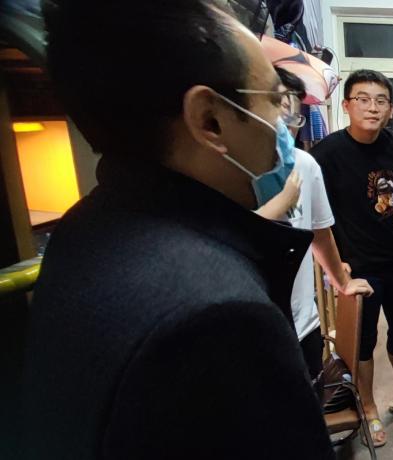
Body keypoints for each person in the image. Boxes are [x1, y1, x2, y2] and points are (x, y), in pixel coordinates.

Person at [17, 1, 333, 458]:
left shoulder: (87, 225)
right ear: (210, 120)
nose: (285, 126)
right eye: (273, 100)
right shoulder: (220, 318)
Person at [310, 69, 393, 448]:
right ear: (346, 105)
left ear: (391, 109)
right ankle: (367, 406)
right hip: (356, 268)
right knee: (364, 342)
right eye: (362, 99)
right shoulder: (326, 155)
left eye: (380, 101)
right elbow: (314, 217)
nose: (372, 107)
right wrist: (335, 268)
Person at [256, 67, 373, 385]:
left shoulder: (304, 165)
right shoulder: (228, 172)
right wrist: (279, 205)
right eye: (276, 106)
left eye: (292, 112)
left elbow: (320, 235)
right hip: (253, 332)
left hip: (303, 323)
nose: (284, 124)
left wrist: (342, 281)